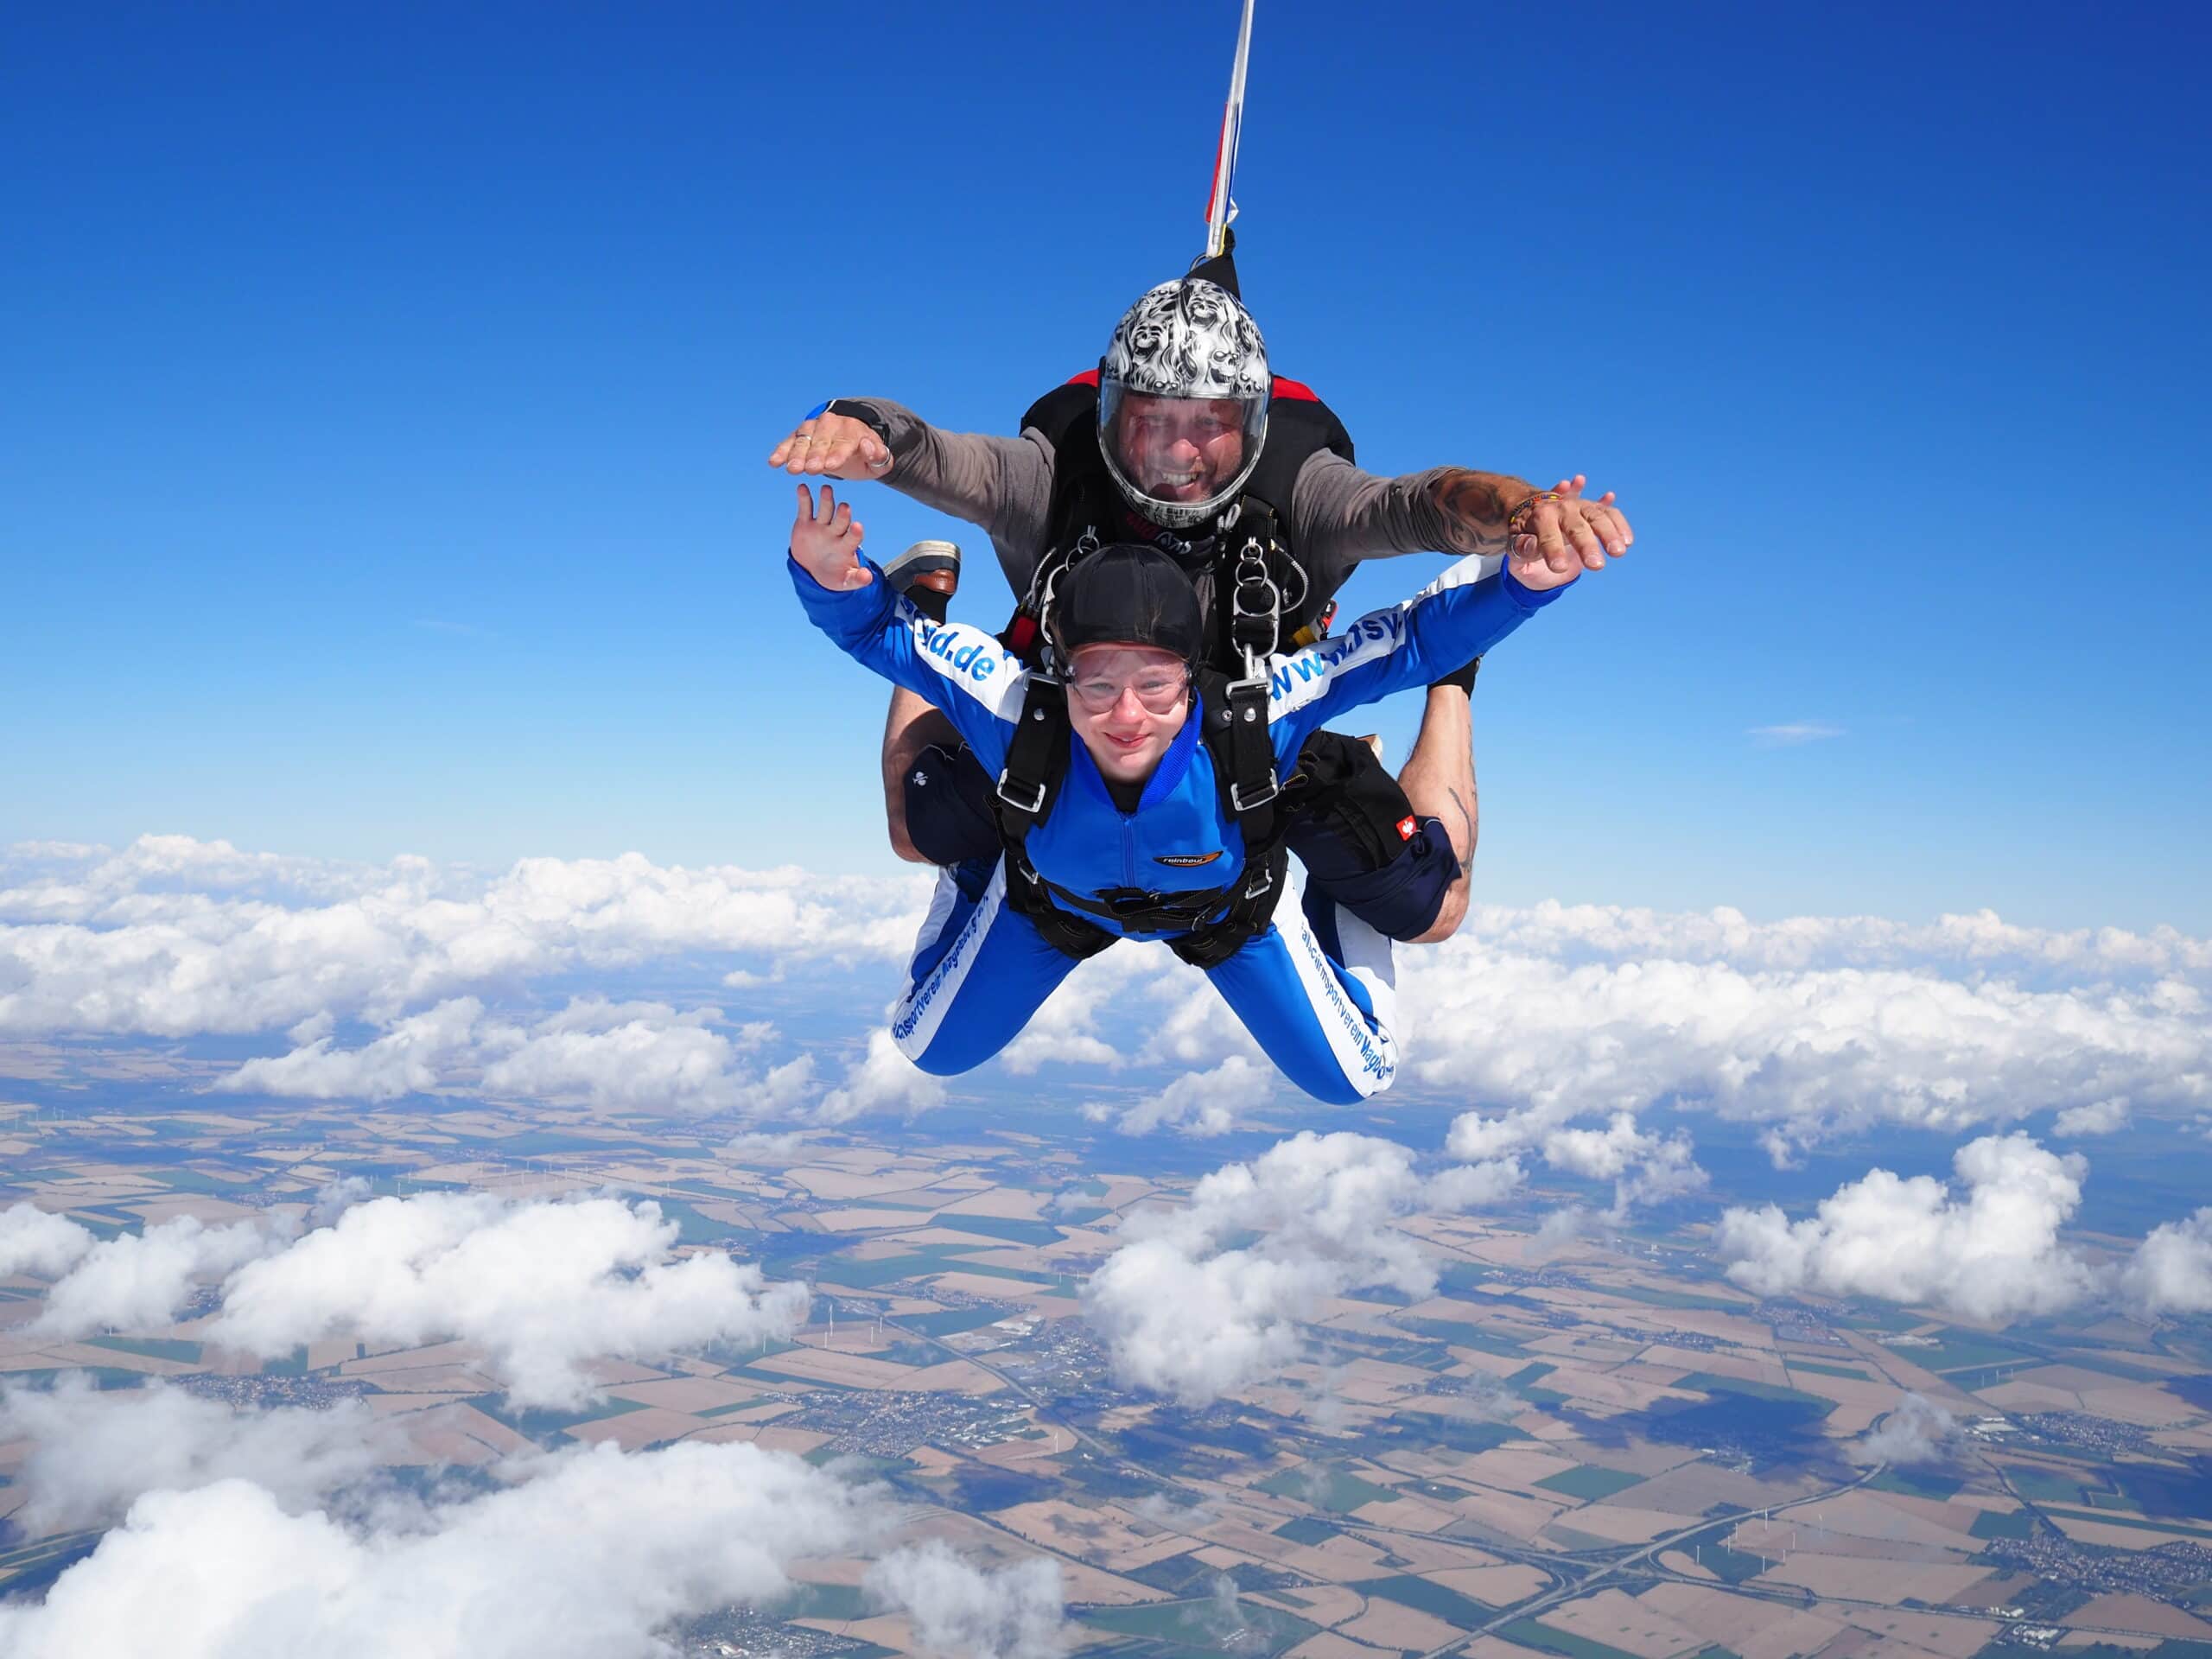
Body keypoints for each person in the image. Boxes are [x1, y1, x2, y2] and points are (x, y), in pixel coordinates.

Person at [769, 272, 1630, 951]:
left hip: (1262, 728)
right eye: (1150, 422)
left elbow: (1420, 504)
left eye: (1209, 425)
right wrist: (863, 429)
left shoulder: (1303, 492)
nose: (1178, 452)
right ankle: (926, 597)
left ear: (1250, 427)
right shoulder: (1052, 475)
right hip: (1076, 714)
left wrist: (1518, 509)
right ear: (1111, 418)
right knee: (914, 835)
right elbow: (935, 457)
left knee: (1434, 909)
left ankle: (1453, 673)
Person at [784, 480, 1617, 1105]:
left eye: (1154, 683)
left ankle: (1332, 898)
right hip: (1052, 906)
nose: (1126, 714)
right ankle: (978, 871)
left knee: (1361, 1074)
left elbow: (1401, 645)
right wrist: (827, 575)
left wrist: (1522, 587)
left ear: (1191, 681)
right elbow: (887, 640)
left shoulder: (1254, 719)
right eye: (1098, 682)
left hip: (1231, 919)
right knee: (924, 1046)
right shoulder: (1018, 711)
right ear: (1061, 675)